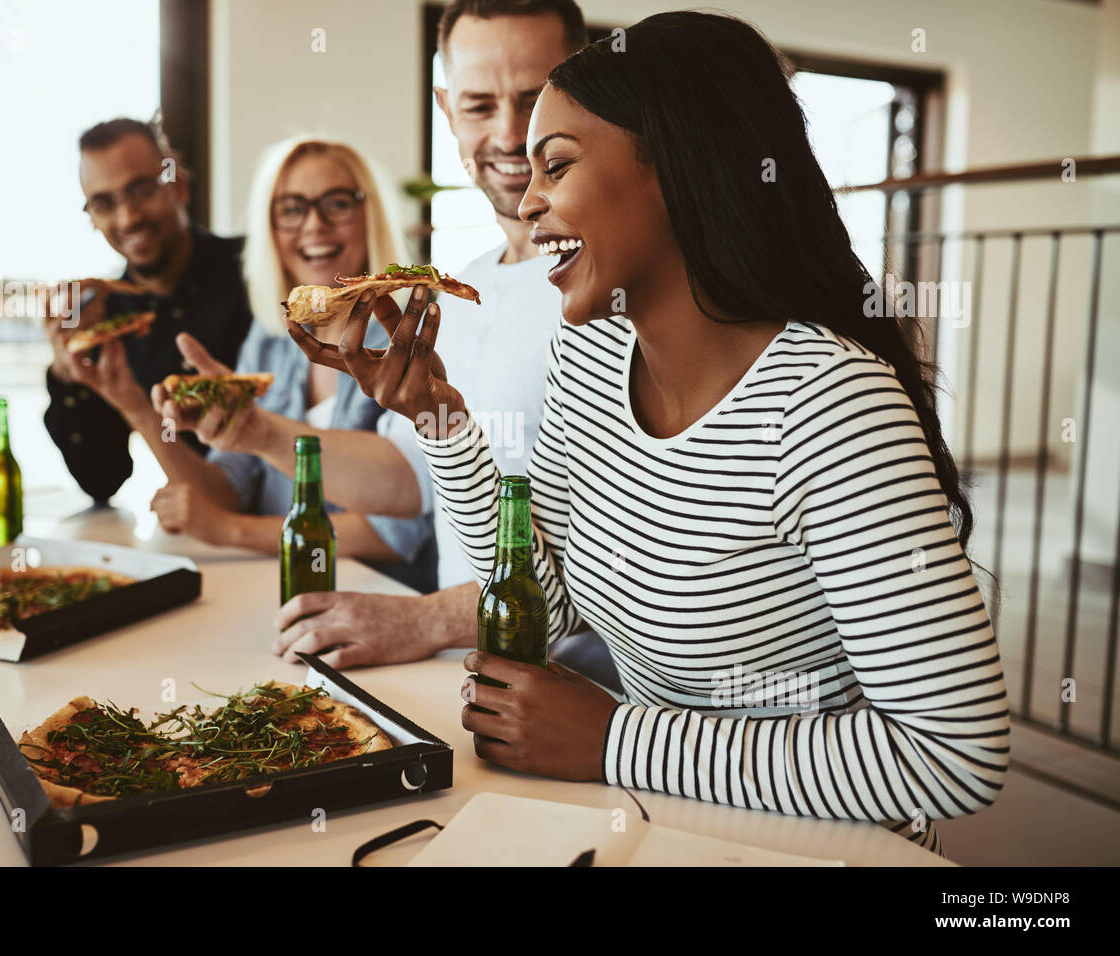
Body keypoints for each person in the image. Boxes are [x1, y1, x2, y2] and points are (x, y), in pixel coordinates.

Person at [293, 11, 1011, 857]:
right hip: (654, 827)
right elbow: (546, 601)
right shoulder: (594, 354)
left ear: (675, 165)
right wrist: (438, 419)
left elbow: (954, 754)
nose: (528, 204)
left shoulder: (828, 403)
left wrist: (614, 740)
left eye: (555, 165)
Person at [159, 0, 617, 680]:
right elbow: (413, 485)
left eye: (535, 100)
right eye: (479, 104)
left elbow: (617, 565)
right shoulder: (459, 292)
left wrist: (422, 618)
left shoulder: (621, 290)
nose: (513, 132)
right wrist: (254, 432)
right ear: (445, 106)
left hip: (586, 701)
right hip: (464, 683)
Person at [74, 135, 434, 593]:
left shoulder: (412, 336)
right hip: (277, 592)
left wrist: (229, 530)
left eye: (337, 203)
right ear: (270, 228)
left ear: (371, 212)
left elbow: (397, 532)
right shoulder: (270, 339)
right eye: (291, 209)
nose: (314, 225)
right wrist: (131, 401)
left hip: (384, 600)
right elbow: (228, 489)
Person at [44, 117, 254, 504]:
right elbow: (102, 480)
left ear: (179, 186)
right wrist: (67, 375)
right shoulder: (105, 320)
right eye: (104, 203)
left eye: (140, 191)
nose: (128, 218)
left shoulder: (257, 270)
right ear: (91, 217)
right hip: (195, 535)